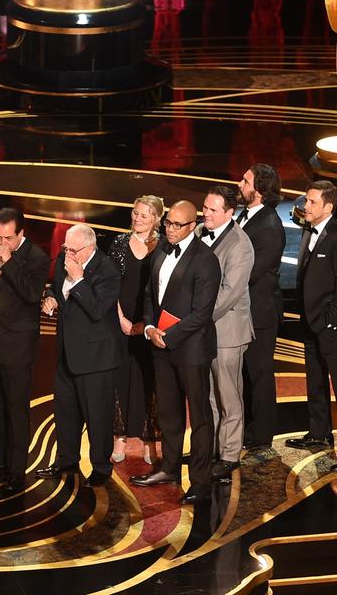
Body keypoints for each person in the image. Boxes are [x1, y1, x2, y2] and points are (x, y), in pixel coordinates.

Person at [132, 200, 221, 504]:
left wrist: (168, 336)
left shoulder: (206, 260)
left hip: (191, 350)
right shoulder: (161, 250)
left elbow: (202, 314)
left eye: (177, 225)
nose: (170, 229)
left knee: (199, 417)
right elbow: (149, 295)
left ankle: (200, 481)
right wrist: (149, 329)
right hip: (160, 346)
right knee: (169, 414)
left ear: (192, 226)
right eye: (168, 223)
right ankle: (169, 468)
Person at [37, 224, 121, 488]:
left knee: (97, 415)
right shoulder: (65, 260)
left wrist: (80, 279)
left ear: (90, 247)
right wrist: (50, 297)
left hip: (96, 357)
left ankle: (101, 467)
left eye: (73, 250)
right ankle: (67, 459)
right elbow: (57, 289)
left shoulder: (108, 270)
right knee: (65, 412)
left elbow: (97, 310)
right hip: (67, 352)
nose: (68, 255)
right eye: (66, 249)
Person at [0, 207, 50, 494]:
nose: (2, 243)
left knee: (16, 409)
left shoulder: (37, 258)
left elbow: (32, 294)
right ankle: (0, 458)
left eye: (8, 237)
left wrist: (8, 262)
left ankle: (16, 470)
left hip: (17, 347)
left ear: (21, 233)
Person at [196, 186, 254, 482]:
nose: (205, 213)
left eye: (212, 210)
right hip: (202, 330)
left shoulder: (240, 245)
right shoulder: (197, 232)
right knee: (207, 394)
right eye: (204, 207)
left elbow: (229, 294)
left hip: (227, 331)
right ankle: (209, 449)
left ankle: (229, 454)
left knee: (228, 395)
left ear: (229, 213)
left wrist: (196, 318)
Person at [109, 195, 163, 465]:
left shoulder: (163, 246)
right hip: (121, 323)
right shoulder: (119, 244)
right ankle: (119, 438)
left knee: (148, 380)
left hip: (150, 324)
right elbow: (110, 284)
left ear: (155, 219)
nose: (137, 219)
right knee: (120, 379)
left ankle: (148, 440)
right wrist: (121, 320)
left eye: (144, 215)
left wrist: (145, 323)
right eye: (135, 213)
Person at [286, 180, 337, 460]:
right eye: (307, 200)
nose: (306, 206)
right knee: (315, 380)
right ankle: (319, 433)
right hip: (309, 321)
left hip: (330, 325)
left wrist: (331, 320)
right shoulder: (309, 230)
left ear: (328, 207)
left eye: (312, 202)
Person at [236, 164, 285, 453]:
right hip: (244, 311)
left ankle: (261, 435)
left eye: (246, 180)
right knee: (244, 374)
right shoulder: (248, 215)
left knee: (259, 374)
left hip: (261, 314)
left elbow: (251, 272)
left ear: (261, 190)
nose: (240, 183)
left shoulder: (268, 226)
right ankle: (245, 429)